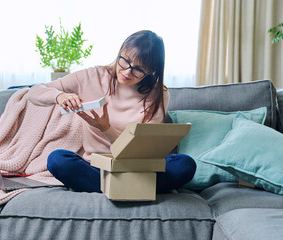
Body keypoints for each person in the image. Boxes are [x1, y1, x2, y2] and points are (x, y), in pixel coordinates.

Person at [27, 30, 196, 193]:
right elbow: (33, 93)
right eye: (125, 60)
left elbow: (140, 152)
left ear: (151, 71)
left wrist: (106, 129)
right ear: (120, 52)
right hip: (97, 167)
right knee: (58, 160)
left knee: (185, 165)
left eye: (139, 69)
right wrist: (60, 96)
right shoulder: (92, 76)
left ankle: (110, 188)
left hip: (138, 168)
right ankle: (135, 190)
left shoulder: (158, 93)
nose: (127, 71)